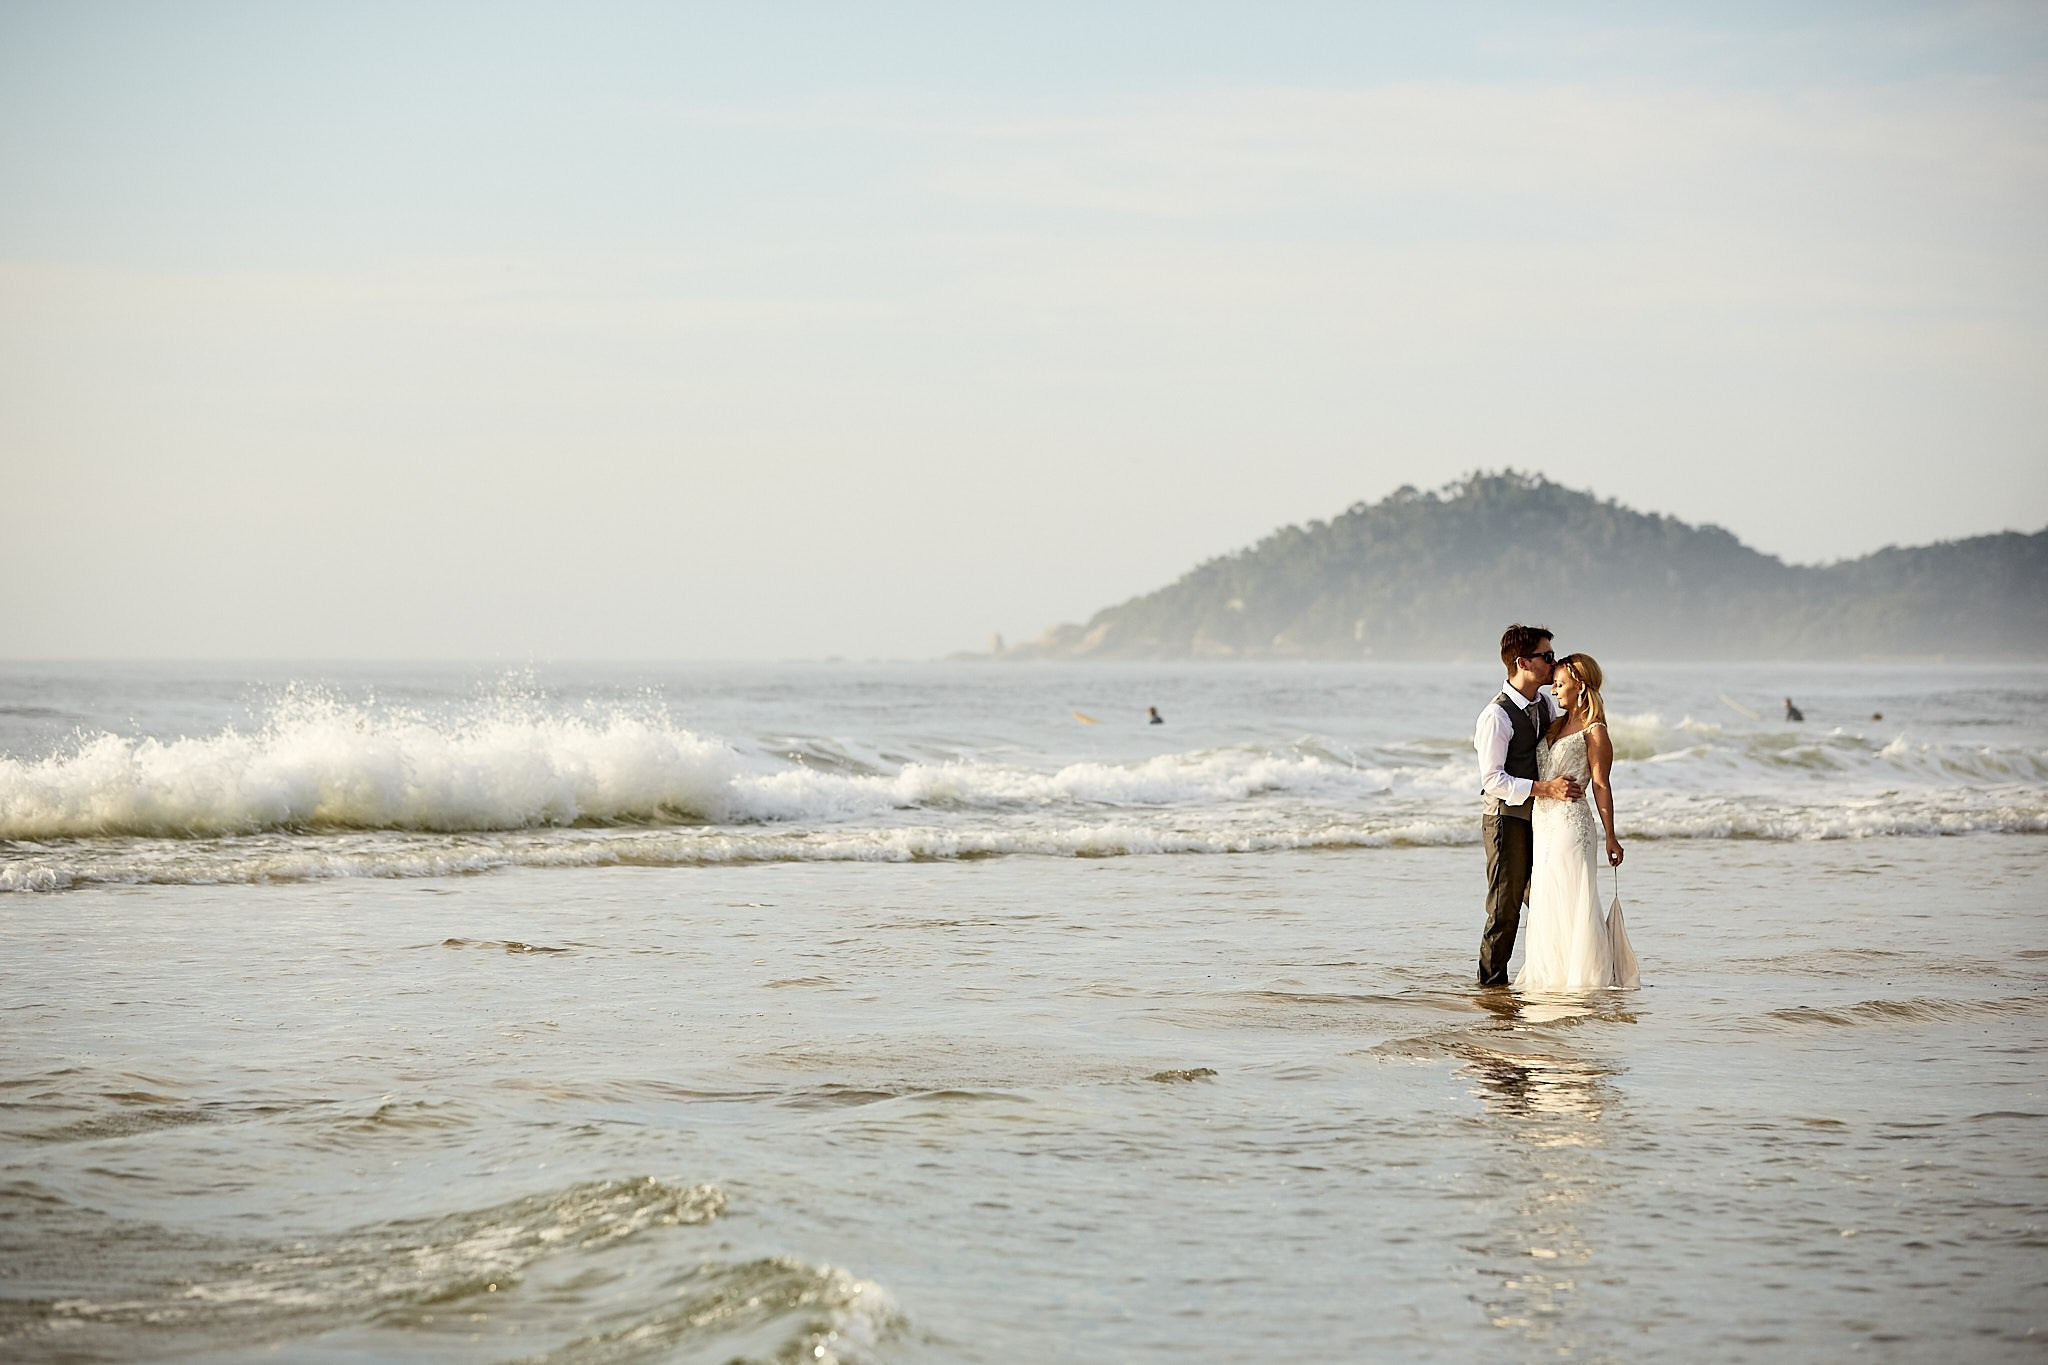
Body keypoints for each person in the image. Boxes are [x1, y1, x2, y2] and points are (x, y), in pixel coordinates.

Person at [1514, 653, 1639, 992]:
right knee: (1547, 898)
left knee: (1572, 896)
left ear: (1580, 686)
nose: (1553, 690)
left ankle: (1582, 977)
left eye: (1560, 684)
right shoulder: (1555, 724)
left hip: (1571, 825)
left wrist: (1611, 836)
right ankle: (1553, 975)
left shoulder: (1595, 731)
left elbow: (1601, 785)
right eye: (1554, 684)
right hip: (1543, 823)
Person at [1473, 625, 1581, 986]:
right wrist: (1546, 788)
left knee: (1548, 898)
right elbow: (1493, 780)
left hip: (1541, 817)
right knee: (1505, 908)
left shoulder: (1546, 704)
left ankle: (1561, 976)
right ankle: (1491, 989)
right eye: (1546, 657)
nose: (1554, 663)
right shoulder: (1496, 716)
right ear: (1522, 663)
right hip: (1505, 820)